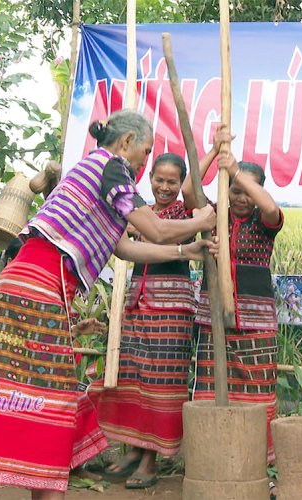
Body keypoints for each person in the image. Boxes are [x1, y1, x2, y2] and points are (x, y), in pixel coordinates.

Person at [0, 109, 217, 500]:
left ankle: (48, 489)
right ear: (126, 143)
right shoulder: (111, 167)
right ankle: (49, 489)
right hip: (36, 287)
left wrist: (183, 249)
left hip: (24, 285)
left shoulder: (95, 172)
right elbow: (153, 227)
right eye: (145, 150)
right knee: (51, 398)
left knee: (50, 396)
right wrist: (202, 219)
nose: (145, 160)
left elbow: (123, 247)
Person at [88, 137, 226, 488]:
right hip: (139, 302)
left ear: (180, 184)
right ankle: (133, 450)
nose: (165, 187)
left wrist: (210, 151)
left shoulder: (186, 213)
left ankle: (151, 459)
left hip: (172, 307)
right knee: (133, 375)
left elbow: (194, 188)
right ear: (148, 178)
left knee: (161, 381)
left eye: (172, 181)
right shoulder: (143, 212)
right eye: (159, 180)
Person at [183, 146, 284, 463]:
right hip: (213, 317)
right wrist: (215, 151)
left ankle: (255, 460)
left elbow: (270, 207)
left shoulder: (263, 223)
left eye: (248, 191)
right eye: (235, 190)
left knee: (256, 388)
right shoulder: (212, 216)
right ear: (225, 190)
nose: (241, 198)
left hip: (256, 321)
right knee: (213, 388)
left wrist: (236, 171)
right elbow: (188, 191)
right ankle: (214, 457)